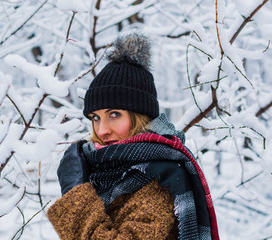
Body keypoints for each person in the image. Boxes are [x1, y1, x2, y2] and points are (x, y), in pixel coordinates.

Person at [47, 32, 219, 240]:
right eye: (95, 118)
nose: (102, 130)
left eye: (114, 115)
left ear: (140, 116)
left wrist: (75, 195)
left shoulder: (158, 181)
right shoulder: (103, 171)